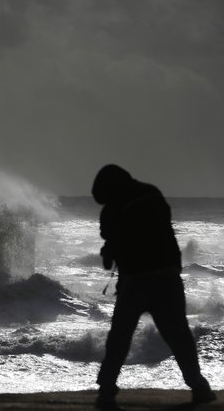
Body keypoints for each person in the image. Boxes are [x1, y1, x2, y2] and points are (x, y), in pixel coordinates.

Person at [91, 164, 216, 409]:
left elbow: (113, 239)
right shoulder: (151, 193)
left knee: (120, 336)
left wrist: (108, 252)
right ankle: (199, 386)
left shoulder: (114, 207)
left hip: (137, 280)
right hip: (167, 276)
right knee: (179, 335)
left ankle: (106, 391)